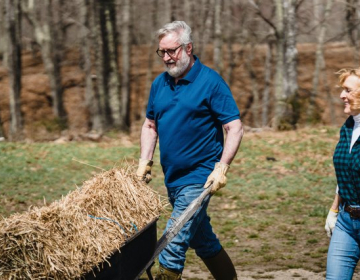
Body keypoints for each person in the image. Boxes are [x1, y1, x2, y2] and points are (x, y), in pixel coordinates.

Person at [136, 21, 243, 280]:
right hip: (173, 178)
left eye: (172, 51)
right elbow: (150, 125)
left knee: (172, 242)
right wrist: (144, 162)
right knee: (203, 240)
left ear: (188, 47)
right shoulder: (159, 84)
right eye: (162, 52)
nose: (167, 58)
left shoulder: (210, 81)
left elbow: (234, 126)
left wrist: (222, 167)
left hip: (200, 178)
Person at [325, 68, 360, 279]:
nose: (342, 95)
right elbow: (345, 172)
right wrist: (334, 209)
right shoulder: (348, 126)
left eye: (348, 90)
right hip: (346, 222)